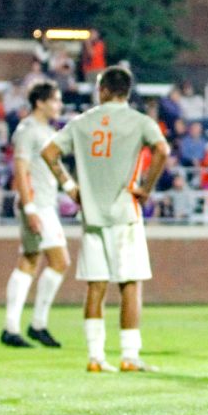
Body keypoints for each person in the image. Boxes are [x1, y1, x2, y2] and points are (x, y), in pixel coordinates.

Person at [41, 66, 169, 373]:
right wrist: (146, 189)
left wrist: (70, 187)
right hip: (124, 212)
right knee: (130, 284)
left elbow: (49, 153)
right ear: (126, 90)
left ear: (103, 89)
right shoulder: (140, 121)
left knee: (95, 286)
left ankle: (96, 357)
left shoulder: (83, 122)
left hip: (92, 214)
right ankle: (128, 354)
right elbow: (162, 150)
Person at [1, 82, 69, 348]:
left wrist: (72, 190)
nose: (59, 106)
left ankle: (31, 325)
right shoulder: (28, 130)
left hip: (46, 204)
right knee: (36, 260)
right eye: (55, 100)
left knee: (47, 261)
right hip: (36, 205)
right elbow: (21, 169)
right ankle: (17, 327)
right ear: (40, 102)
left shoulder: (46, 131)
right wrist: (29, 208)